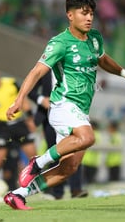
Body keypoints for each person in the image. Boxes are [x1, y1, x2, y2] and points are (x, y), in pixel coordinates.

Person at [3, 0, 125, 210]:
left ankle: (18, 194)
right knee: (88, 137)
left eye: (91, 13)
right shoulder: (60, 43)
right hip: (63, 104)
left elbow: (103, 60)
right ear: (70, 16)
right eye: (83, 13)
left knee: (68, 168)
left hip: (80, 110)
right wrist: (18, 100)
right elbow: (36, 72)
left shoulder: (95, 38)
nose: (89, 18)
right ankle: (38, 162)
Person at [0, 63, 38, 201]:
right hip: (2, 128)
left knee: (33, 155)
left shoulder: (11, 83)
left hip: (19, 124)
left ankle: (46, 184)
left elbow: (23, 100)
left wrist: (30, 118)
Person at [28, 70, 87, 199]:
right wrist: (41, 99)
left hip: (70, 115)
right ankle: (56, 191)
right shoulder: (45, 70)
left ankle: (76, 189)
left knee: (75, 148)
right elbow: (31, 91)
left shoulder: (72, 68)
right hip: (50, 115)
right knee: (55, 151)